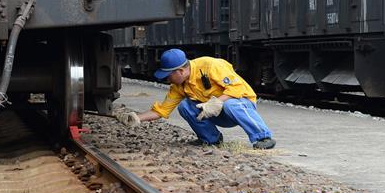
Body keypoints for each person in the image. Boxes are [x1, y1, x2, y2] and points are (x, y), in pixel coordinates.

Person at [115, 48, 276, 149]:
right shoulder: (178, 86)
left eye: (168, 76)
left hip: (240, 106)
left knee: (231, 105)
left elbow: (238, 88)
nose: (167, 80)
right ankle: (211, 140)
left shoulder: (210, 65)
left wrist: (217, 102)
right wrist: (136, 117)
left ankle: (263, 137)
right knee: (184, 106)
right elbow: (162, 111)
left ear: (179, 71)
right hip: (213, 113)